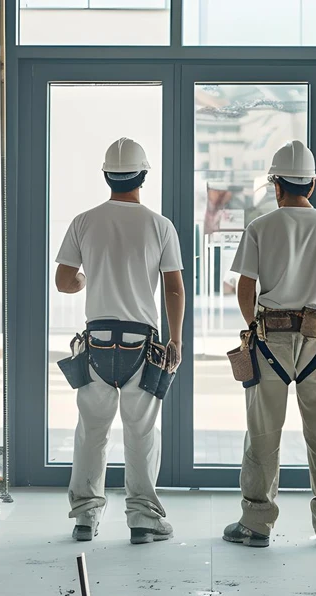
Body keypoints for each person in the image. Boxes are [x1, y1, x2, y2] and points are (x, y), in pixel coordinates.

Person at [221, 140, 316, 549]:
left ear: (275, 185)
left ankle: (257, 524)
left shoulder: (260, 227)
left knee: (263, 431)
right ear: (312, 185)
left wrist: (254, 328)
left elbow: (245, 288)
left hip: (270, 340)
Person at [54, 137, 185, 545]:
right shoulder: (159, 225)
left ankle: (84, 518)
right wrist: (175, 340)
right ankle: (144, 520)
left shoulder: (84, 221)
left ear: (107, 175)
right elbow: (174, 289)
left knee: (92, 431)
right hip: (141, 345)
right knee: (141, 433)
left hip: (95, 344)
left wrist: (88, 277)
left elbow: (64, 281)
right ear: (143, 175)